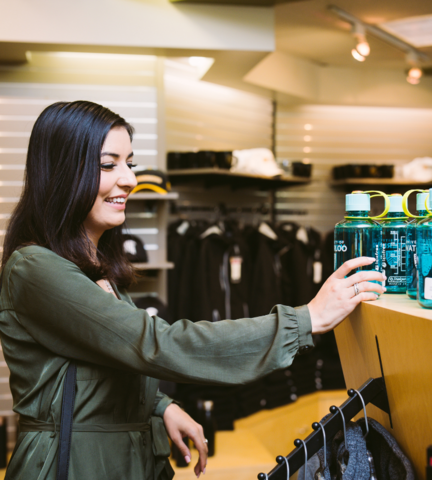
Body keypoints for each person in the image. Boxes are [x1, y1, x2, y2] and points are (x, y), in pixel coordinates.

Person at [0, 101, 386, 480]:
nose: (130, 179)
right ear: (62, 173)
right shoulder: (34, 268)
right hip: (73, 465)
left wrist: (161, 406)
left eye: (129, 164)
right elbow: (153, 344)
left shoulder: (94, 269)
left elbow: (106, 361)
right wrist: (306, 319)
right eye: (108, 164)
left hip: (123, 459)